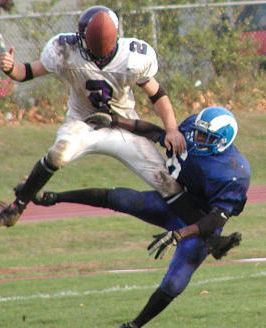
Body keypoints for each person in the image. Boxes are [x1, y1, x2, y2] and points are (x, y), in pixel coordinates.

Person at [32, 106, 250, 328]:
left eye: (206, 137)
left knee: (174, 283)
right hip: (174, 202)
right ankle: (53, 197)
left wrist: (179, 235)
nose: (197, 138)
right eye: (198, 132)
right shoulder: (192, 130)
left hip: (199, 225)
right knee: (124, 199)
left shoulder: (234, 172)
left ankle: (134, 325)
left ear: (222, 141)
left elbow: (216, 220)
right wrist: (115, 121)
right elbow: (157, 133)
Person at [0, 5, 186, 233]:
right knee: (58, 155)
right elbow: (27, 72)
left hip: (123, 125)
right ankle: (14, 210)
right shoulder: (65, 49)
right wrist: (11, 69)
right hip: (82, 123)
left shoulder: (133, 57)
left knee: (168, 183)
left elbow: (157, 94)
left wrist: (172, 129)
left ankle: (199, 230)